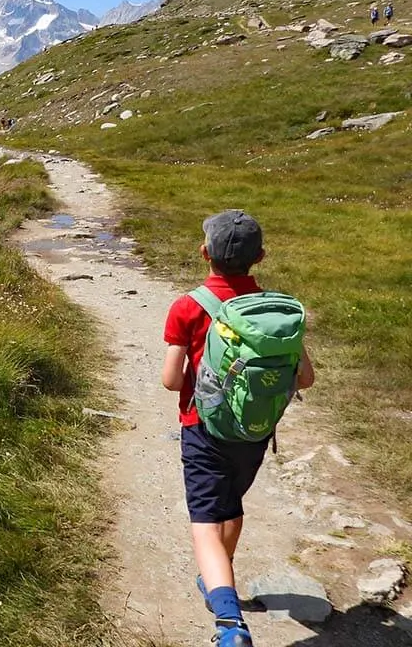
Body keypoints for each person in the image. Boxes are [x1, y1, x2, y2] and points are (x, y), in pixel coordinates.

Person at [161, 211, 315, 647]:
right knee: (231, 505)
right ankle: (217, 577)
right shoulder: (275, 312)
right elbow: (305, 378)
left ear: (204, 252)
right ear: (260, 257)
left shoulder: (188, 306)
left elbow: (172, 380)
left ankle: (230, 626)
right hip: (256, 429)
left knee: (206, 520)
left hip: (203, 427)